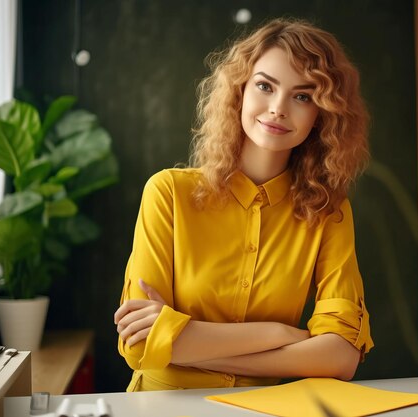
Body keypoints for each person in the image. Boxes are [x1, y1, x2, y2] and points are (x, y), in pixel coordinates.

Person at [114, 17, 374, 392]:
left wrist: (181, 344)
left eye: (302, 95)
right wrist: (284, 334)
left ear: (322, 114)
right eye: (265, 86)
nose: (278, 108)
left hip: (266, 408)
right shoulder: (168, 193)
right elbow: (139, 345)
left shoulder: (327, 212)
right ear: (239, 91)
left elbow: (341, 356)